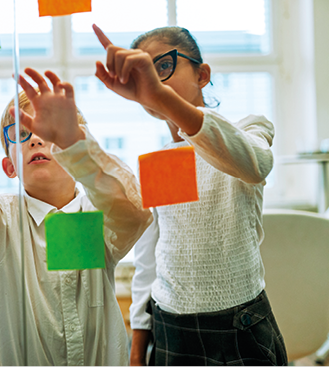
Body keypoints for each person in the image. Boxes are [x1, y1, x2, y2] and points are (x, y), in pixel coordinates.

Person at [0, 50, 152, 365]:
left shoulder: (99, 217)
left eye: (48, 131)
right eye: (20, 134)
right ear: (9, 166)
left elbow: (136, 213)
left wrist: (75, 143)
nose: (35, 140)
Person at [92, 24, 287, 366]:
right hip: (171, 328)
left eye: (163, 66)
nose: (154, 81)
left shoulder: (249, 128)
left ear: (202, 75)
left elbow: (255, 163)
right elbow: (149, 261)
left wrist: (161, 96)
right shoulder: (161, 162)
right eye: (144, 75)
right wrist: (137, 350)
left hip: (239, 325)